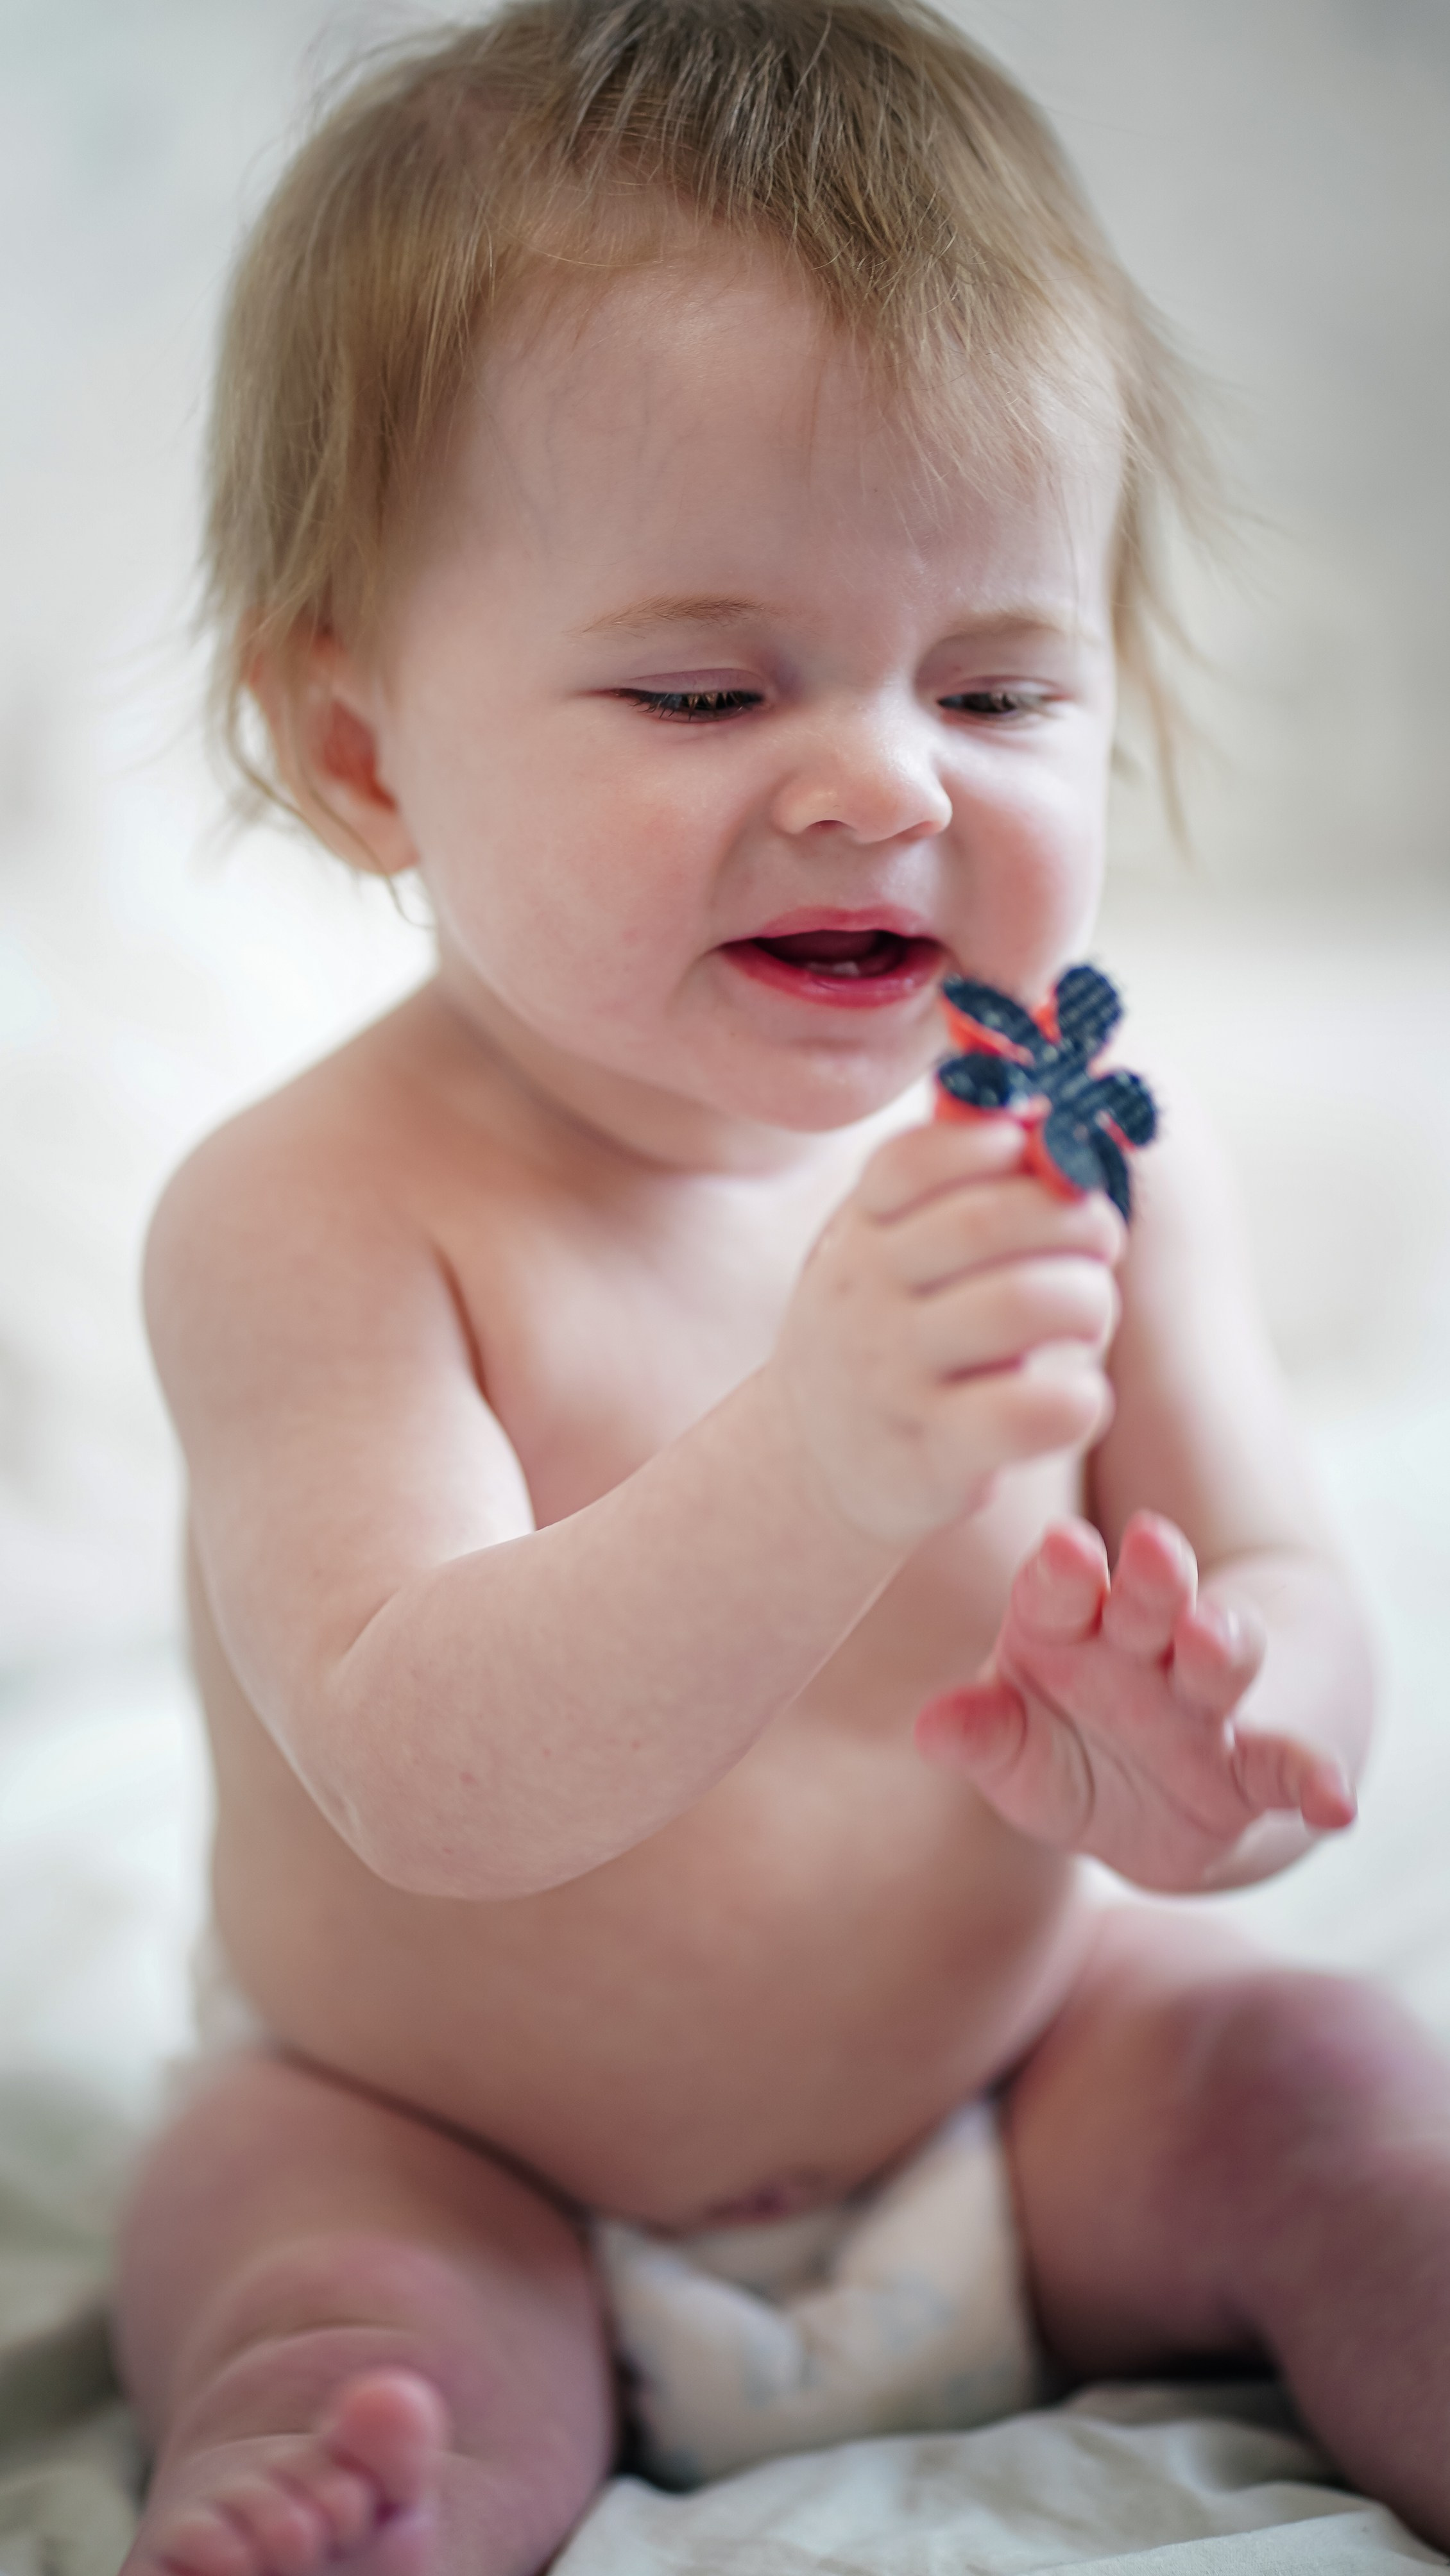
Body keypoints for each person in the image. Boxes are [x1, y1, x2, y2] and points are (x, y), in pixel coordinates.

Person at [114, 4, 1450, 2570]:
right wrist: (818, 1456)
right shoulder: (316, 1210)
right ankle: (349, 2492)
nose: (885, 780)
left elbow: (1285, 1569)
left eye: (998, 684)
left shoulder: (1081, 1152)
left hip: (1026, 2079)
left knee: (1332, 2093)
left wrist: (1231, 1731)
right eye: (707, 685)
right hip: (449, 2122)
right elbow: (423, 1765)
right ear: (365, 746)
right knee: (333, 2296)